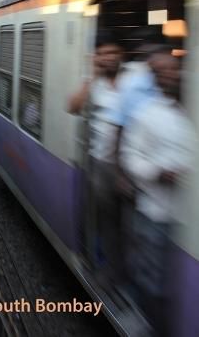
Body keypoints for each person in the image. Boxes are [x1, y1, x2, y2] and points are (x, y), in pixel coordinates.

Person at [120, 48, 197, 335]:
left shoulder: (190, 113)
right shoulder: (146, 115)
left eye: (174, 70)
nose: (171, 75)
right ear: (155, 78)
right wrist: (158, 173)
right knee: (152, 277)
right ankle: (147, 322)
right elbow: (130, 157)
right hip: (155, 210)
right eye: (163, 72)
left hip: (186, 217)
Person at [68, 30, 124, 281]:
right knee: (95, 216)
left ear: (120, 55)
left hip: (122, 164)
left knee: (115, 221)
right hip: (98, 160)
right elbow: (73, 106)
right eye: (102, 53)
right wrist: (91, 77)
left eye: (112, 52)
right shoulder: (94, 82)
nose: (107, 58)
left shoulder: (131, 81)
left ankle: (111, 268)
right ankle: (97, 261)